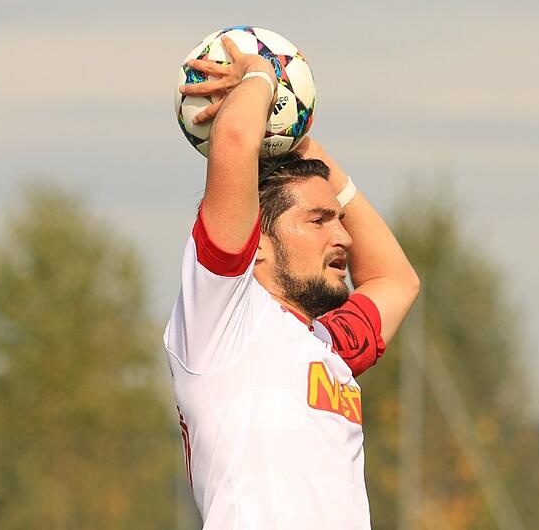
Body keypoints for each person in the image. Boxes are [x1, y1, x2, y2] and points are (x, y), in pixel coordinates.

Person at [163, 35, 420, 529]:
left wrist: (310, 149)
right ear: (255, 239)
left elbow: (396, 279)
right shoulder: (222, 322)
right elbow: (236, 142)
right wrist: (261, 75)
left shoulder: (328, 346)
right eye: (319, 220)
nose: (343, 233)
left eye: (338, 218)